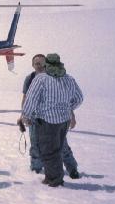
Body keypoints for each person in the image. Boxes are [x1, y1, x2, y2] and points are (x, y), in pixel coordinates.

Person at [22, 54, 83, 187]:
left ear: (46, 64)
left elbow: (31, 100)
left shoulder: (41, 79)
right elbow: (79, 98)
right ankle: (52, 176)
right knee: (57, 148)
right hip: (64, 121)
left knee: (49, 151)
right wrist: (66, 108)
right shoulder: (69, 78)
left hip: (48, 121)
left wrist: (26, 116)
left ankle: (54, 180)